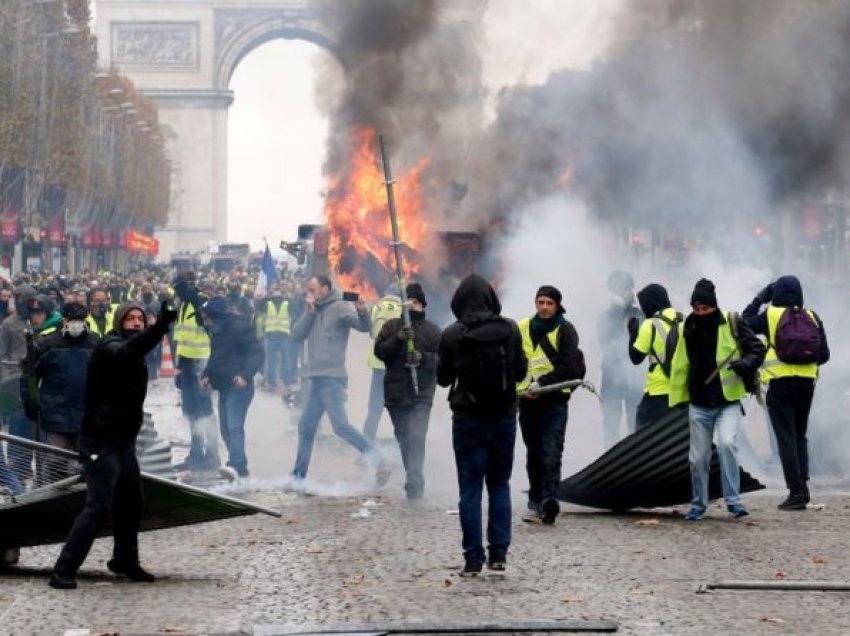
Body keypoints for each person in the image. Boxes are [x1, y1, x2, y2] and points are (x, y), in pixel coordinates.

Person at [49, 300, 177, 589]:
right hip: (99, 442)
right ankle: (63, 570)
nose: (135, 322)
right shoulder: (110, 347)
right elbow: (130, 350)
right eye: (130, 318)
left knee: (132, 502)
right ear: (119, 321)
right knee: (98, 506)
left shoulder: (136, 351)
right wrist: (160, 327)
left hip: (123, 442)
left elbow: (138, 351)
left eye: (140, 319)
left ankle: (125, 560)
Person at [437, 273, 527, 576]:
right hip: (503, 417)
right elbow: (519, 373)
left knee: (470, 490)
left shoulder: (451, 334)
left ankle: (473, 558)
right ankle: (499, 553)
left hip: (468, 420)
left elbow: (443, 379)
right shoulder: (510, 328)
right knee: (500, 485)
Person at [668, 279, 765, 521]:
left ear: (714, 307)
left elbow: (757, 348)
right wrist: (678, 397)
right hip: (698, 403)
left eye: (705, 309)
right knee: (698, 458)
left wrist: (745, 365)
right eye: (696, 309)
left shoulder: (731, 321)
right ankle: (698, 504)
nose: (701, 313)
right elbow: (679, 365)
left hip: (727, 401)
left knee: (726, 444)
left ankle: (734, 501)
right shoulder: (685, 328)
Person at [289, 275, 388, 485]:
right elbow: (295, 335)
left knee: (341, 426)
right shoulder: (312, 310)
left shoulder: (341, 307)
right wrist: (308, 314)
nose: (310, 294)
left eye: (313, 290)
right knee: (306, 427)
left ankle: (379, 460)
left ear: (325, 289)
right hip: (315, 379)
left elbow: (363, 326)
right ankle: (298, 478)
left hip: (332, 379)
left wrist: (362, 310)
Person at [742, 275, 829, 510]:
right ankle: (804, 486)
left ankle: (796, 492)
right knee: (800, 435)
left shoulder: (771, 315)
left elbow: (743, 323)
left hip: (780, 384)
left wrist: (760, 298)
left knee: (786, 438)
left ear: (776, 293)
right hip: (807, 384)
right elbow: (825, 355)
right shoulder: (812, 316)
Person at [516, 285, 585, 525]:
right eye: (541, 302)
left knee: (551, 451)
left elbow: (568, 367)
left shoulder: (565, 330)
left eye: (549, 303)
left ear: (557, 306)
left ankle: (549, 500)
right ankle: (535, 500)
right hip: (527, 403)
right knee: (533, 452)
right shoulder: (522, 327)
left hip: (553, 402)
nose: (544, 307)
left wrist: (542, 385)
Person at [373, 283, 440, 500]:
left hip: (422, 393)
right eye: (409, 301)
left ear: (422, 305)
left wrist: (423, 358)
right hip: (396, 393)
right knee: (403, 436)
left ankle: (414, 478)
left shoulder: (432, 330)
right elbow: (380, 352)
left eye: (416, 302)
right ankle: (412, 472)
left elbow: (443, 361)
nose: (412, 305)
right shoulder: (392, 327)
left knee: (417, 434)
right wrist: (398, 339)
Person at [24, 302, 99, 482]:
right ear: (64, 320)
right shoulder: (46, 344)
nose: (76, 324)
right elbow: (30, 377)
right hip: (55, 417)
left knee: (86, 466)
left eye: (80, 320)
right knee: (56, 464)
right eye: (72, 319)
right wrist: (31, 401)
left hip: (86, 417)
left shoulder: (96, 344)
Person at [200, 297, 264, 478]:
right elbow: (216, 357)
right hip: (224, 386)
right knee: (226, 429)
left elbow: (257, 353)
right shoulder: (217, 332)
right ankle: (240, 468)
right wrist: (206, 374)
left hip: (240, 386)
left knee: (235, 426)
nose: (205, 322)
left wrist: (245, 375)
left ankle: (235, 465)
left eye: (207, 318)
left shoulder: (240, 328)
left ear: (216, 316)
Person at [172, 271, 219, 471]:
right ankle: (196, 453)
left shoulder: (203, 302)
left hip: (202, 364)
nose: (176, 292)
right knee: (191, 411)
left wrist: (202, 309)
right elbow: (181, 338)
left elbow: (215, 330)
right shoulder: (183, 305)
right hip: (187, 365)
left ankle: (212, 454)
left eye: (178, 287)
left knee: (205, 410)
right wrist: (180, 367)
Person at [597, 271, 644, 448]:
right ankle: (611, 459)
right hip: (611, 376)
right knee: (610, 423)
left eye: (627, 288)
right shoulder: (605, 316)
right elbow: (604, 343)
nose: (624, 292)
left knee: (636, 424)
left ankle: (636, 458)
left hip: (636, 377)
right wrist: (617, 313)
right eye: (619, 289)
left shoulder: (641, 314)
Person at [628, 284, 681, 428]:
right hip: (683, 390)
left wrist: (632, 333)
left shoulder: (650, 325)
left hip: (658, 391)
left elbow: (636, 358)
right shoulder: (684, 319)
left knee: (641, 435)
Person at [362, 286, 402, 442]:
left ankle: (366, 445)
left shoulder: (377, 306)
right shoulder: (403, 309)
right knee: (398, 407)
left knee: (374, 408)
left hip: (378, 363)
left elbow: (369, 330)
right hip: (396, 365)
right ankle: (402, 448)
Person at [259, 284, 291, 391]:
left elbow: (295, 312)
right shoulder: (268, 302)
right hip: (272, 335)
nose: (277, 294)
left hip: (283, 336)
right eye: (274, 292)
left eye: (278, 292)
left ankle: (286, 382)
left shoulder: (288, 302)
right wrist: (267, 296)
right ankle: (272, 382)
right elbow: (259, 306)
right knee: (273, 360)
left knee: (285, 360)